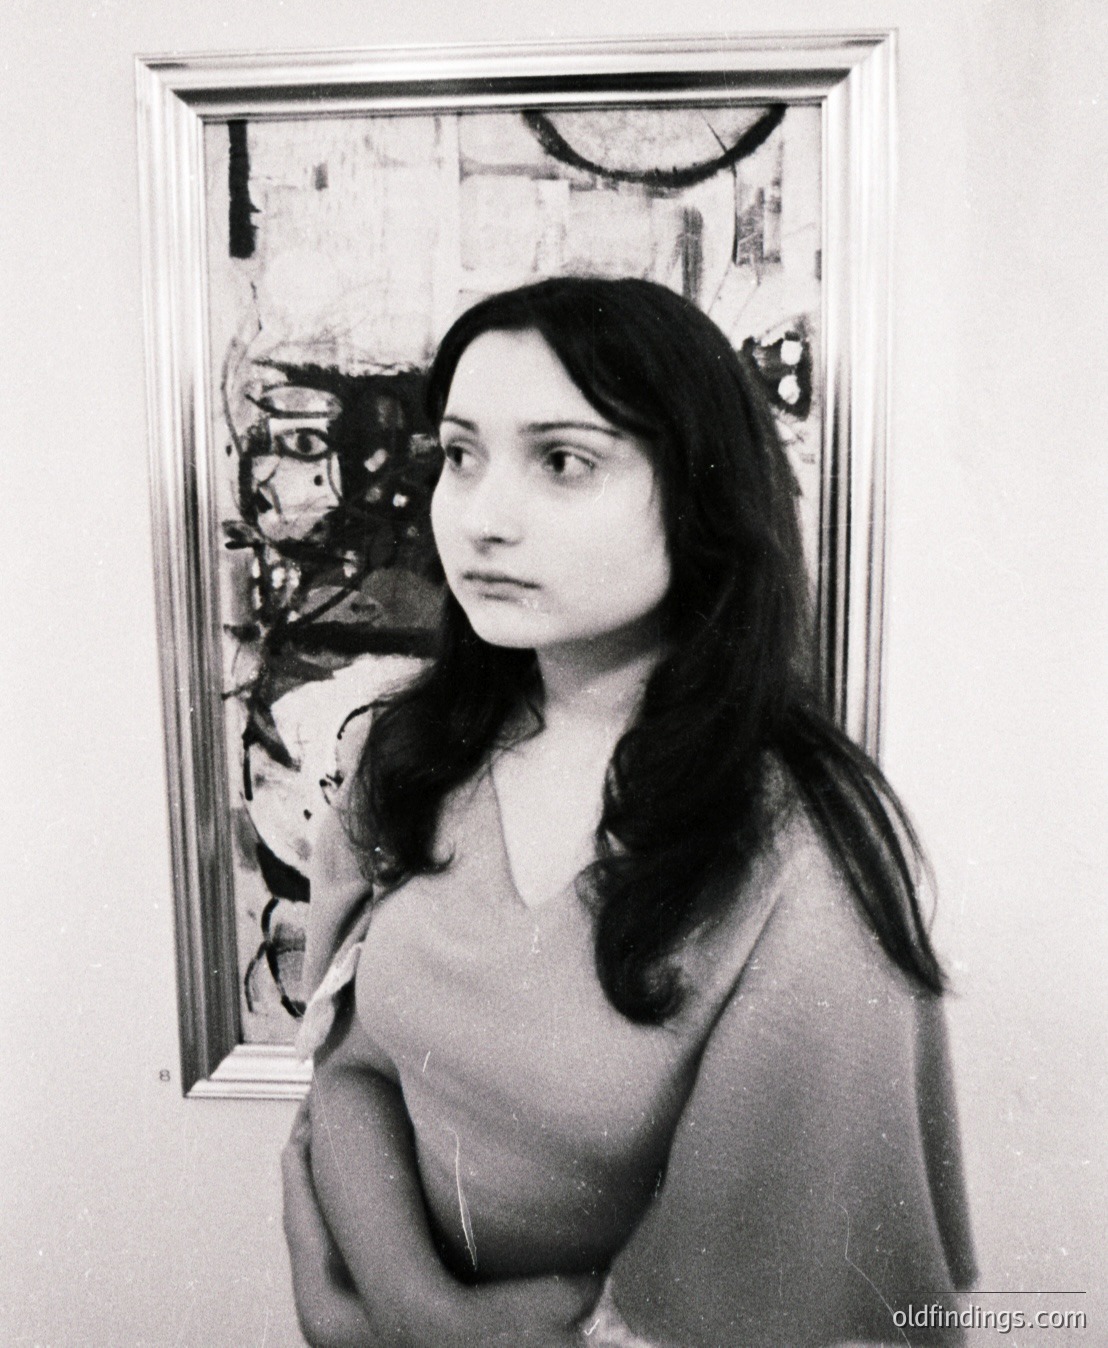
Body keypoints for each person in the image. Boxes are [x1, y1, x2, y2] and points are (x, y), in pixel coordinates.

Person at [281, 277, 976, 1348]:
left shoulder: (801, 857)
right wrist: (416, 1313)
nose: (481, 515)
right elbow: (352, 1067)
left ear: (702, 495)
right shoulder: (406, 754)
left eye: (563, 461)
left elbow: (761, 1304)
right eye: (459, 455)